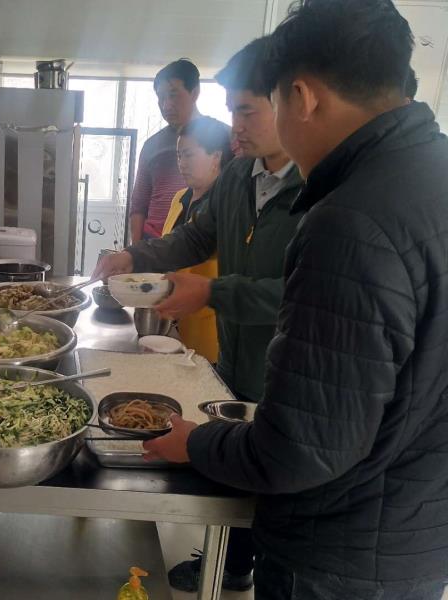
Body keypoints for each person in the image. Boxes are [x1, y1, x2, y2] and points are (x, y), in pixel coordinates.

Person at [144, 1, 448, 599]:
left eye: (267, 104)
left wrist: (195, 442)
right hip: (417, 531)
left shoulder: (351, 218)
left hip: (339, 551)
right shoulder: (430, 174)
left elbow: (298, 448)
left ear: (301, 97)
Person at [93, 37, 304, 592]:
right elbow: (195, 236)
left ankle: (254, 564)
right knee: (234, 467)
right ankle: (231, 564)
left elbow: (304, 294)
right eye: (231, 110)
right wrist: (134, 255)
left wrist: (212, 293)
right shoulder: (240, 176)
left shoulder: (318, 188)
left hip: (288, 367)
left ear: (291, 102)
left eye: (247, 111)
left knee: (278, 486)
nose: (235, 126)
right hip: (236, 356)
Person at [162, 117, 233, 362]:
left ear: (216, 156)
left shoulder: (228, 206)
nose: (181, 163)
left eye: (189, 155)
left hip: (207, 328)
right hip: (171, 323)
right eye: (179, 155)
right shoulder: (179, 198)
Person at [129, 59, 200, 243]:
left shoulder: (222, 139)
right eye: (161, 97)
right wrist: (136, 251)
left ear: (194, 93)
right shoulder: (151, 145)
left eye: (173, 95)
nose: (166, 105)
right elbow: (138, 205)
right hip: (153, 241)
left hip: (198, 244)